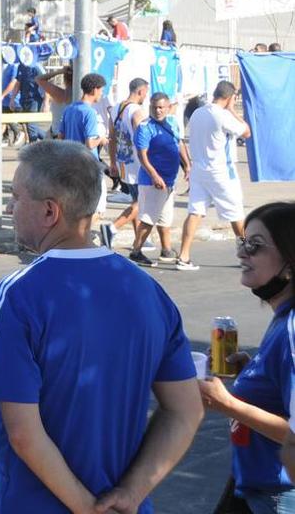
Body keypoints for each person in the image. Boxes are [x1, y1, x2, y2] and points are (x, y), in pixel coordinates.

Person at [0, 139, 203, 513]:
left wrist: (87, 508)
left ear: (50, 211)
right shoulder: (148, 290)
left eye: (15, 197)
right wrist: (130, 493)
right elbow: (186, 411)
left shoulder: (17, 293)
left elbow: (23, 433)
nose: (9, 208)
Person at [201, 202, 295, 513]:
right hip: (255, 486)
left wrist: (227, 404)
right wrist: (254, 373)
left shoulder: (291, 329)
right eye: (242, 242)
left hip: (278, 495)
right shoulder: (283, 317)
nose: (242, 253)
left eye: (255, 245)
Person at [178, 80, 252, 270]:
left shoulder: (198, 112)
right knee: (236, 213)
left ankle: (184, 256)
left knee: (195, 212)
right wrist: (232, 110)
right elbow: (246, 132)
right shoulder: (223, 115)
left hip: (200, 169)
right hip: (221, 171)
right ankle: (249, 255)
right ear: (229, 98)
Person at [132, 92, 192, 268]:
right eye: (154, 107)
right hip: (152, 182)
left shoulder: (172, 122)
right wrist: (154, 175)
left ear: (168, 108)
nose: (158, 111)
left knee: (165, 218)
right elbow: (142, 156)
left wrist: (187, 165)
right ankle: (136, 251)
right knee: (149, 218)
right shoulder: (145, 127)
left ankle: (166, 250)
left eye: (161, 107)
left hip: (169, 180)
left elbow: (179, 144)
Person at [59, 72, 110, 228]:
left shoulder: (69, 109)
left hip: (71, 163)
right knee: (98, 209)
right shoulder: (89, 112)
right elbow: (90, 143)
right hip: (88, 165)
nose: (102, 94)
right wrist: (102, 139)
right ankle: (76, 234)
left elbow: (60, 137)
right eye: (101, 90)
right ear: (95, 90)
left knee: (77, 205)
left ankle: (71, 233)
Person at [106, 77, 149, 253]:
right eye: (145, 92)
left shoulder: (116, 108)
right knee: (142, 203)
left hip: (124, 162)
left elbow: (111, 138)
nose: (146, 96)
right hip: (138, 163)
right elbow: (144, 139)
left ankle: (139, 240)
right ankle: (112, 228)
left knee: (136, 202)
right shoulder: (137, 111)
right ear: (140, 91)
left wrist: (113, 162)